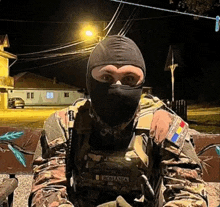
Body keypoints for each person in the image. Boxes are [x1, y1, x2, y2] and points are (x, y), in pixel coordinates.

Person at [29, 35, 208, 207]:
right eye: (107, 78)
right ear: (90, 81)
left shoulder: (163, 124)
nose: (118, 87)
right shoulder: (65, 123)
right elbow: (46, 190)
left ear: (141, 82)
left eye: (129, 79)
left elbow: (189, 193)